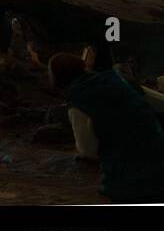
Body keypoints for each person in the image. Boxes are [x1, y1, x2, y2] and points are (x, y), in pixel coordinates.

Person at [49, 52, 164, 203]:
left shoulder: (78, 103)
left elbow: (88, 150)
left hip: (129, 179)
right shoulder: (115, 79)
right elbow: (157, 102)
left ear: (57, 77)